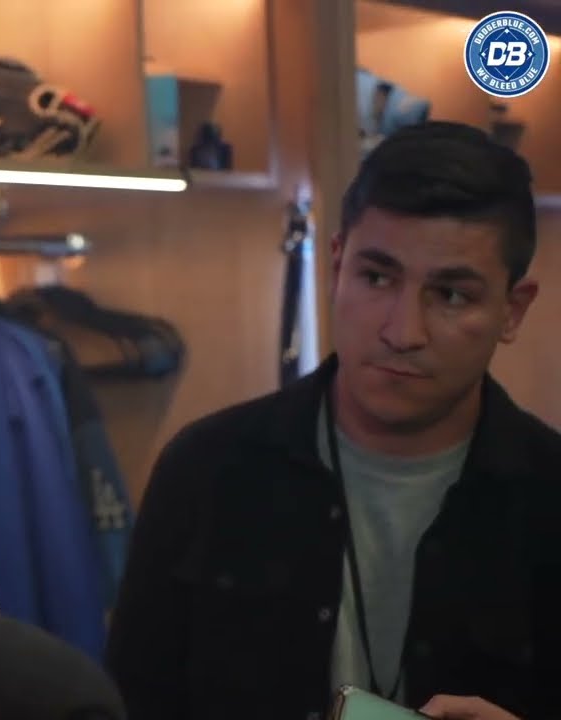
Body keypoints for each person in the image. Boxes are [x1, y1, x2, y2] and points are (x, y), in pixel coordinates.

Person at [104, 121, 561, 720]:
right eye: (377, 278)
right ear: (337, 265)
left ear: (512, 310)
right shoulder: (206, 471)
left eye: (452, 295)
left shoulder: (549, 498)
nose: (403, 332)